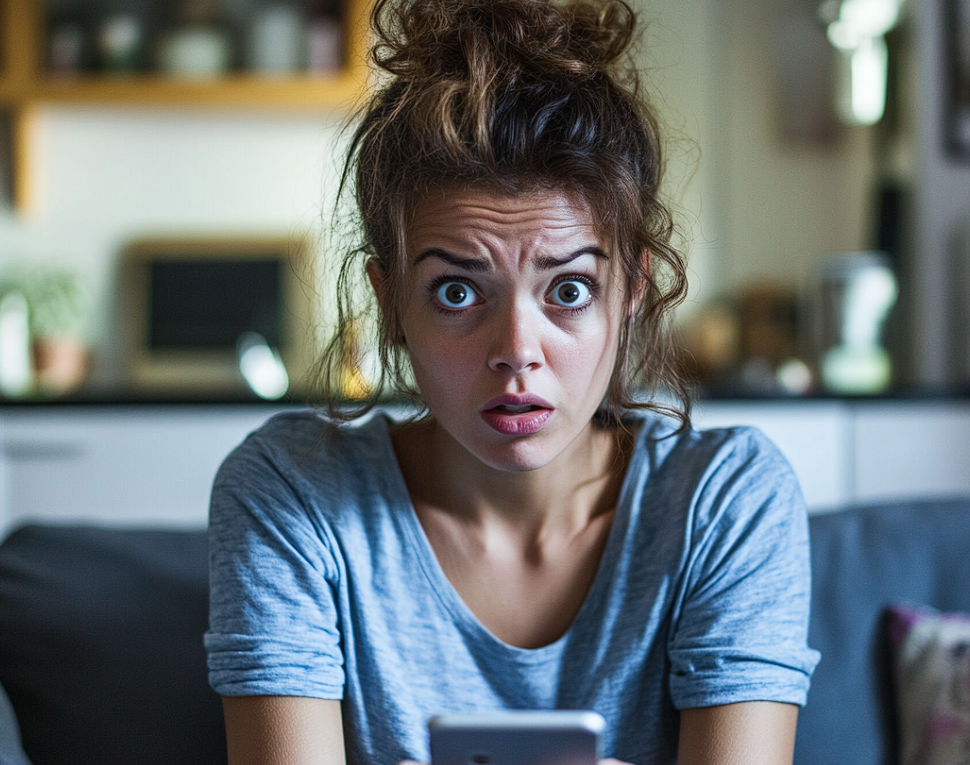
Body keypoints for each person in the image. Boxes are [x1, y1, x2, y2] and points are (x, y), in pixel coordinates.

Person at [205, 0, 820, 763]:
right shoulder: (290, 493)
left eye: (568, 290)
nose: (516, 352)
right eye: (458, 292)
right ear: (391, 300)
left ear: (631, 292)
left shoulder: (726, 502)